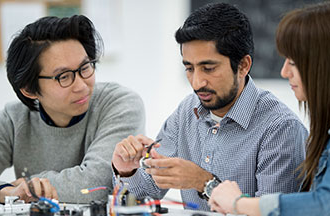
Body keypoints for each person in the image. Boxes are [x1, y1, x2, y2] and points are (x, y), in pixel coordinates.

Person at [111, 3, 308, 211]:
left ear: (243, 65)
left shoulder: (280, 128)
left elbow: (273, 213)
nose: (197, 83)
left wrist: (204, 182)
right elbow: (144, 194)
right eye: (189, 68)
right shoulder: (187, 111)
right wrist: (127, 171)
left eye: (208, 68)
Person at [208, 1, 330, 215]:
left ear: (325, 65)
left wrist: (238, 203)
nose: (284, 71)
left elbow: (325, 206)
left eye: (294, 62)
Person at [0, 15, 145, 203]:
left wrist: (27, 187)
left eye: (85, 67)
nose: (82, 86)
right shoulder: (14, 119)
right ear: (29, 89)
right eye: (64, 76)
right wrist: (6, 192)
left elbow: (96, 185)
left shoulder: (120, 104)